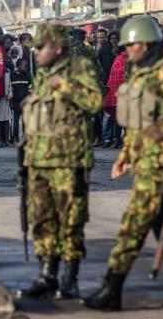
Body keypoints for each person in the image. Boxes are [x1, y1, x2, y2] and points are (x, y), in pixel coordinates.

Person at [82, 16, 163, 311]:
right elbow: (136, 123)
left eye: (133, 45)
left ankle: (113, 286)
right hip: (142, 158)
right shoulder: (136, 73)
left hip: (161, 160)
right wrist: (124, 156)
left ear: (146, 44)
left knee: (134, 223)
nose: (129, 51)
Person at [18, 23, 102, 300]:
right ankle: (47, 274)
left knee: (71, 220)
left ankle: (69, 279)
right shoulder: (43, 73)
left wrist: (64, 86)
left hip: (70, 160)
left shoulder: (80, 68)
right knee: (42, 218)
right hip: (40, 159)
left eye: (40, 48)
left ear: (56, 48)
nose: (36, 53)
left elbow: (94, 102)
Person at [10, 58, 30, 143]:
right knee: (16, 121)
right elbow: (10, 89)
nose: (26, 67)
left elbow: (30, 88)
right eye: (24, 65)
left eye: (27, 65)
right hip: (16, 102)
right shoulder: (12, 75)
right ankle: (15, 138)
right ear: (18, 66)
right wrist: (11, 100)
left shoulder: (28, 75)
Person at [0, 64, 12, 148]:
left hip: (6, 100)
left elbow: (10, 86)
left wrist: (9, 95)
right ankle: (0, 140)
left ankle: (6, 140)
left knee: (6, 119)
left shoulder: (8, 73)